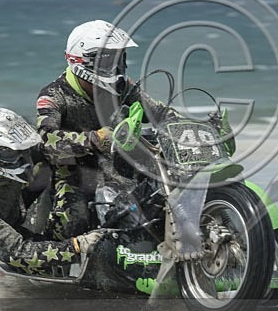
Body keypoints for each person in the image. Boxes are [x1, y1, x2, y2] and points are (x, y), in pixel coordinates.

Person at [35, 20, 178, 242]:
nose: (115, 68)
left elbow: (160, 113)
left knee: (159, 198)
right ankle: (60, 256)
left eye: (118, 59)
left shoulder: (123, 88)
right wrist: (95, 139)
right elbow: (46, 141)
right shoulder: (54, 96)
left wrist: (190, 128)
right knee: (76, 218)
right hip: (73, 173)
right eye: (107, 60)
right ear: (83, 62)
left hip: (119, 167)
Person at [0, 107, 99, 275]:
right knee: (47, 271)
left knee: (71, 165)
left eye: (23, 149)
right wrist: (78, 246)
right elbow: (16, 251)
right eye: (10, 153)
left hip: (21, 198)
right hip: (11, 242)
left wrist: (96, 140)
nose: (24, 157)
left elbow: (51, 146)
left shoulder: (18, 153)